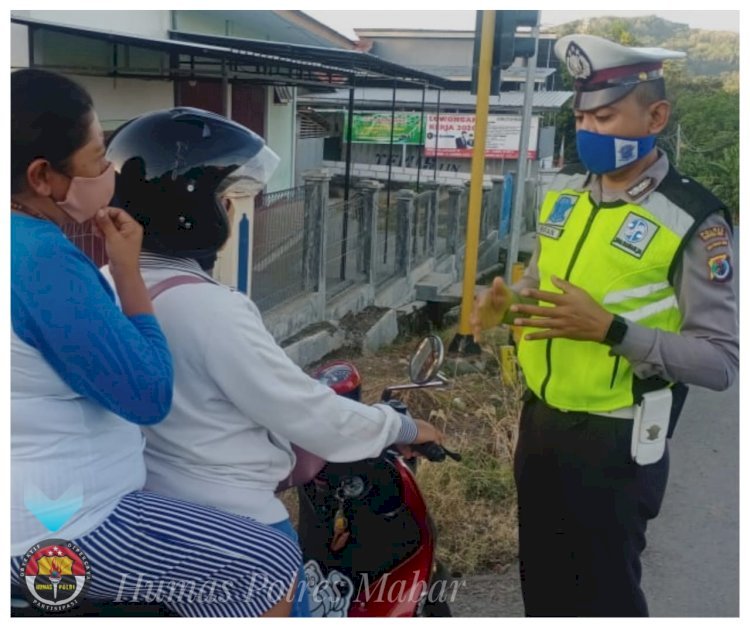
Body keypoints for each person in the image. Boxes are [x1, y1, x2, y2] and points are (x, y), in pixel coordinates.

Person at [102, 107, 445, 617]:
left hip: (147, 522)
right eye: (226, 197)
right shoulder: (212, 309)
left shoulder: (107, 286)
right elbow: (311, 415)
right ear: (192, 211)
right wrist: (403, 425)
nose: (232, 209)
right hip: (235, 529)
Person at [11, 68, 301, 618]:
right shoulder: (40, 259)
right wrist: (127, 272)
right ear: (43, 175)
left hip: (37, 504)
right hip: (73, 523)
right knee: (267, 565)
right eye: (97, 158)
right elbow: (148, 393)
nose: (107, 174)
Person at [471, 34, 738, 617]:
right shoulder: (562, 190)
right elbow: (540, 286)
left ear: (657, 115)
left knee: (604, 596)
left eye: (607, 115)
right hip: (540, 422)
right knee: (541, 585)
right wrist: (507, 308)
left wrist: (614, 332)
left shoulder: (694, 218)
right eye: (583, 116)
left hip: (617, 442)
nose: (590, 130)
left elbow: (719, 362)